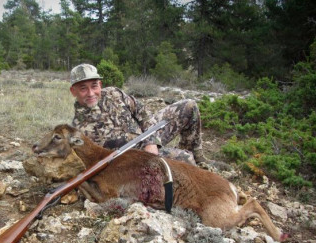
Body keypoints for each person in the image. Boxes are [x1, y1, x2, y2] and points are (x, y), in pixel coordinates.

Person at [69, 63, 221, 167]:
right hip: (137, 160)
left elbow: (143, 113)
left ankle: (199, 157)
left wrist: (151, 141)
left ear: (100, 85)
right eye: (83, 88)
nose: (91, 93)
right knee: (185, 159)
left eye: (94, 86)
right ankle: (190, 166)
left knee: (189, 106)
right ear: (73, 91)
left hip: (149, 137)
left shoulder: (115, 93)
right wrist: (147, 154)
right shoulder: (79, 131)